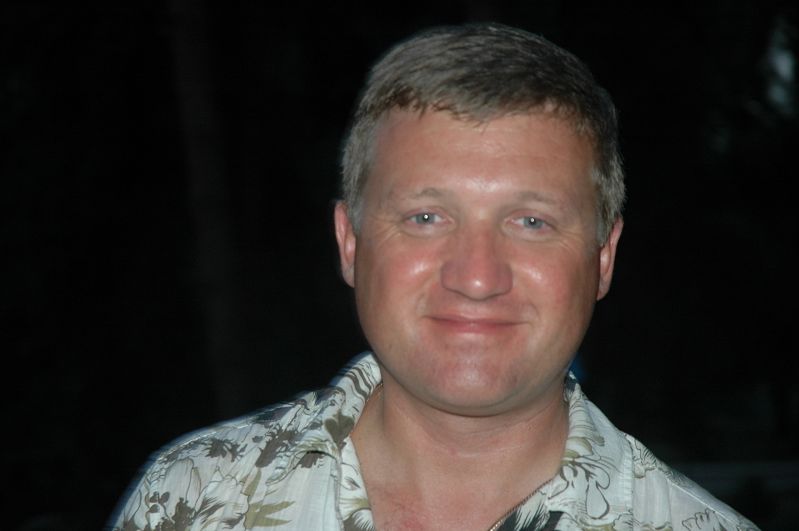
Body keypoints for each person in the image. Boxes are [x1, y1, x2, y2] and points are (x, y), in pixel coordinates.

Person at [108, 23, 758, 530]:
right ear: (350, 242)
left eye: (530, 221)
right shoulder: (192, 501)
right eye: (426, 217)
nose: (476, 277)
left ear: (604, 258)